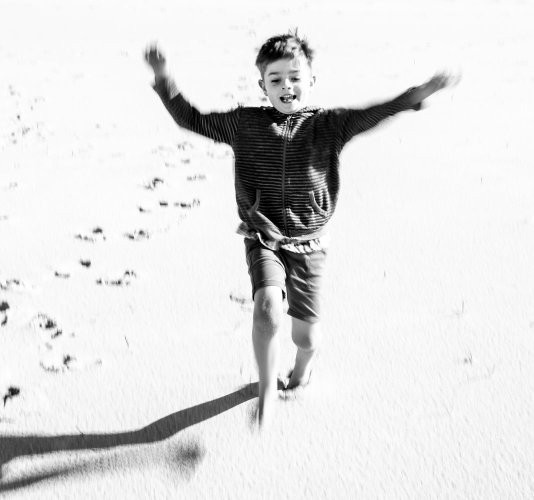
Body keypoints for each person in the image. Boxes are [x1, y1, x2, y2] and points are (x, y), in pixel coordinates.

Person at [144, 30, 459, 428]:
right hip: (264, 237)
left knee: (306, 338)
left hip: (310, 244)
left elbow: (378, 111)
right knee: (267, 308)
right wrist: (163, 77)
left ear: (312, 80)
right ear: (262, 86)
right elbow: (190, 119)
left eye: (295, 77)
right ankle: (266, 388)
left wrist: (421, 92)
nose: (286, 86)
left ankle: (303, 369)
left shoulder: (330, 126)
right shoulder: (244, 124)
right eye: (275, 79)